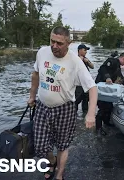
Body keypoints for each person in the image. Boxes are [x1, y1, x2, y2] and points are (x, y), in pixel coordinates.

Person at [27, 26, 98, 180]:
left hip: (65, 108)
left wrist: (91, 113)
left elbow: (92, 88)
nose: (54, 46)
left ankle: (59, 174)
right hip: (42, 106)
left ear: (69, 43)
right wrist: (32, 95)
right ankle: (52, 162)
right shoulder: (42, 52)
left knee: (62, 145)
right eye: (52, 41)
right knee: (40, 145)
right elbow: (36, 74)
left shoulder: (75, 62)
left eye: (59, 43)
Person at [95, 52, 124, 136]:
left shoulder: (118, 68)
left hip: (108, 91)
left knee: (109, 107)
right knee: (102, 108)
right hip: (101, 90)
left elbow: (121, 79)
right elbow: (102, 68)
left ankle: (106, 122)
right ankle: (98, 128)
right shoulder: (112, 61)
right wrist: (107, 77)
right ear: (123, 58)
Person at [75, 44, 94, 113]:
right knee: (76, 100)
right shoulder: (75, 58)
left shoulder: (85, 58)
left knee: (86, 99)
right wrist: (80, 60)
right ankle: (74, 115)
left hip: (86, 83)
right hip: (78, 84)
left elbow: (92, 67)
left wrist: (87, 61)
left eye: (86, 50)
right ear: (79, 50)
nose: (86, 52)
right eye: (84, 50)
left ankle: (85, 114)